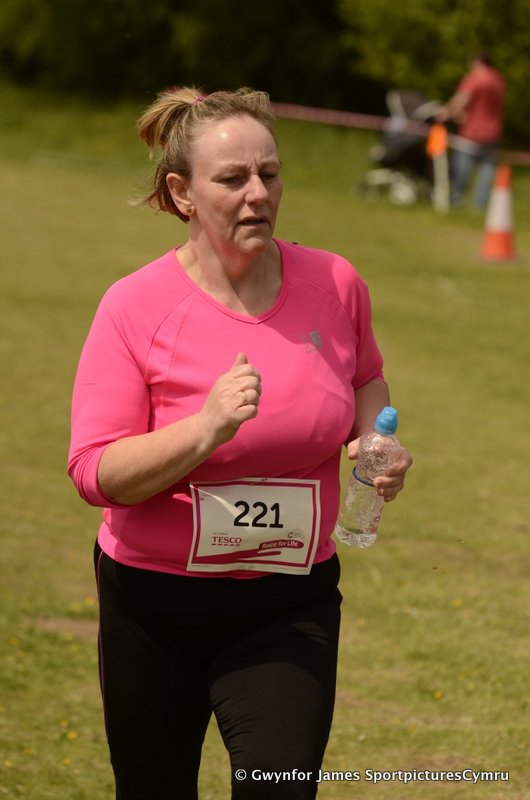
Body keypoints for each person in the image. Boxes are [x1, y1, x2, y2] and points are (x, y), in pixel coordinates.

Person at [68, 86, 413, 800]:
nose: (258, 193)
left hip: (289, 603)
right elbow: (95, 472)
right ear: (182, 193)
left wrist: (372, 438)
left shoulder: (335, 283)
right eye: (232, 178)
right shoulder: (134, 306)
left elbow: (366, 378)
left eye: (270, 174)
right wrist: (204, 430)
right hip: (154, 605)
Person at [437, 52, 506, 208]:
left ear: (477, 61)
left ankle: (456, 198)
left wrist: (447, 112)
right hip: (493, 131)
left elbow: (461, 98)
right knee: (487, 168)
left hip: (472, 131)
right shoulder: (498, 80)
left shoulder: (475, 78)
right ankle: (480, 204)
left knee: (462, 166)